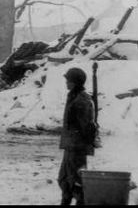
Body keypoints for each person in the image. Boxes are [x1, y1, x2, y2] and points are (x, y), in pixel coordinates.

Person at [58, 67, 96, 206]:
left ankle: (82, 202)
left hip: (77, 148)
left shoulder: (82, 100)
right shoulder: (74, 96)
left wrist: (85, 143)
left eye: (68, 80)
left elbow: (87, 126)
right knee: (64, 180)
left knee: (76, 182)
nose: (66, 83)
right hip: (70, 146)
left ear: (74, 82)